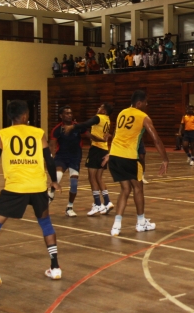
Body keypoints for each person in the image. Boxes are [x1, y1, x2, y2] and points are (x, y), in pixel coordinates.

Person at [0, 100, 62, 297]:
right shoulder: (38, 133)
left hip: (15, 188)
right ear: (26, 116)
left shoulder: (1, 135)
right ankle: (55, 268)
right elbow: (49, 159)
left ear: (10, 116)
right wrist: (54, 180)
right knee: (45, 223)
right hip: (38, 186)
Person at [104, 90, 169, 236]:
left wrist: (110, 153)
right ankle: (141, 222)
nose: (147, 104)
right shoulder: (143, 117)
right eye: (146, 102)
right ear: (139, 103)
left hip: (115, 156)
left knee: (125, 189)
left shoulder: (122, 113)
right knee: (138, 189)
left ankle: (116, 226)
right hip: (130, 157)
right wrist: (165, 159)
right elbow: (156, 139)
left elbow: (117, 134)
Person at [62, 103, 115, 215]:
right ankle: (107, 202)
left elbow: (86, 123)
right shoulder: (107, 119)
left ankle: (97, 204)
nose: (98, 108)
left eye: (100, 107)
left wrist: (73, 126)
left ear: (104, 111)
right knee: (99, 178)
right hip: (104, 149)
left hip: (96, 149)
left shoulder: (98, 117)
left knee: (91, 177)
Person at [49, 106, 87, 217]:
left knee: (74, 184)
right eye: (66, 113)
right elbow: (52, 145)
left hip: (75, 158)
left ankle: (69, 207)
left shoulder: (77, 127)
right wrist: (50, 158)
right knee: (58, 176)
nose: (69, 115)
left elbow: (89, 135)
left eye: (70, 113)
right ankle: (51, 193)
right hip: (61, 157)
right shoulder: (57, 129)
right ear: (61, 116)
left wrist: (101, 139)